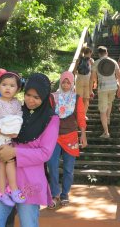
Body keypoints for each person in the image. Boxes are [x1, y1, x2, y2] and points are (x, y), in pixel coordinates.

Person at [0, 73, 59, 227]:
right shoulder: (15, 111)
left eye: (37, 97)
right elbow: (0, 134)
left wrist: (15, 152)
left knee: (28, 224)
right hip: (3, 180)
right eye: (28, 95)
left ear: (44, 97)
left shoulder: (51, 119)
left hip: (30, 180)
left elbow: (45, 153)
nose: (31, 100)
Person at [0, 68, 25, 207]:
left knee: (2, 164)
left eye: (12, 86)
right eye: (4, 84)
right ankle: (13, 189)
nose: (8, 88)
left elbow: (19, 117)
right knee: (10, 161)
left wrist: (14, 128)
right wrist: (5, 131)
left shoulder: (17, 103)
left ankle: (1, 192)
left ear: (18, 89)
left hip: (8, 137)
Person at [47, 71, 87, 209]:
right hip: (53, 136)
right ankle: (55, 194)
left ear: (72, 83)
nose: (65, 84)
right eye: (63, 81)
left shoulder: (77, 98)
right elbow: (47, 115)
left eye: (68, 82)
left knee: (69, 169)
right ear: (60, 82)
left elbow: (81, 117)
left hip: (71, 136)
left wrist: (83, 134)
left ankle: (65, 194)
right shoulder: (53, 97)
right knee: (52, 165)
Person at [90, 46, 120, 138]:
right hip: (113, 87)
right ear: (107, 53)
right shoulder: (113, 61)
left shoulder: (96, 63)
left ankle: (106, 133)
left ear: (99, 54)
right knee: (109, 102)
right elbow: (119, 77)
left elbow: (92, 77)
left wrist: (93, 86)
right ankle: (108, 118)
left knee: (102, 111)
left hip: (103, 88)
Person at [74, 46, 95, 116]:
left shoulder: (79, 60)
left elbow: (74, 71)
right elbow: (94, 72)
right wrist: (94, 82)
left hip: (80, 79)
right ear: (89, 53)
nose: (90, 55)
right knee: (86, 99)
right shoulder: (91, 61)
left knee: (80, 99)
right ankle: (83, 114)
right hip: (87, 80)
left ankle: (80, 114)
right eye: (90, 53)